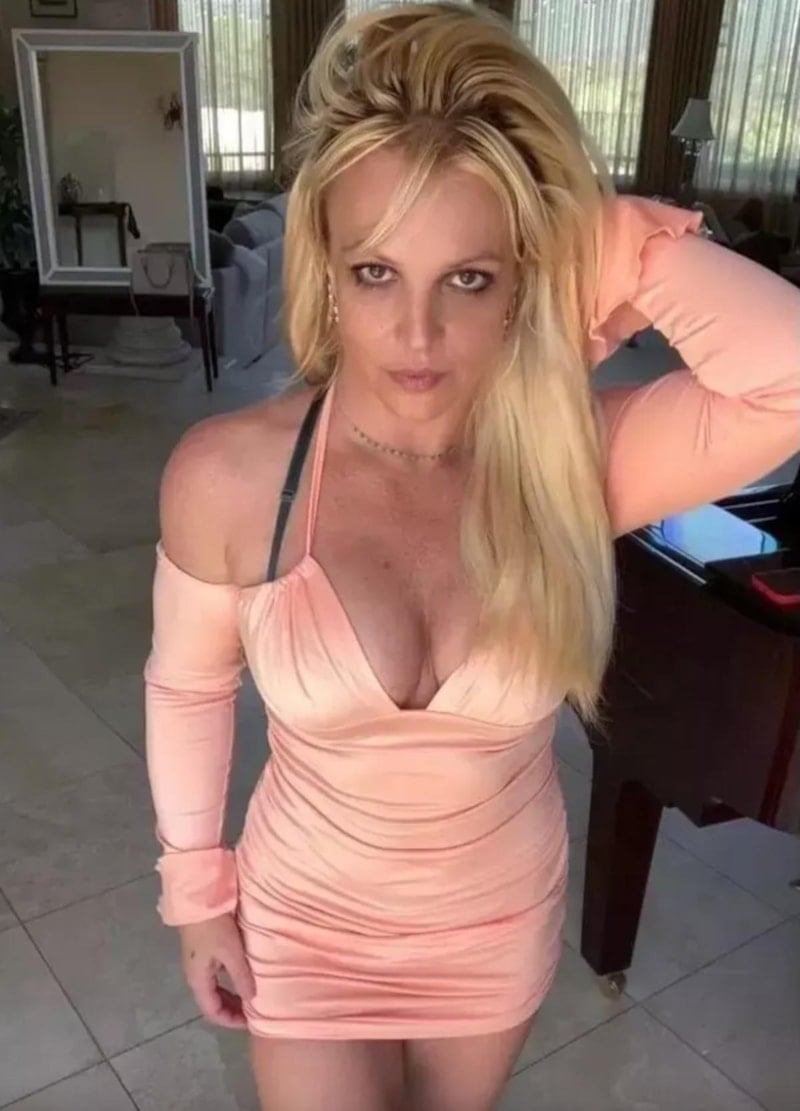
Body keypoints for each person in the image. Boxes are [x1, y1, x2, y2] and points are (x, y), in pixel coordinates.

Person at [143, 5, 800, 1110]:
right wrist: (196, 894)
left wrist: (603, 238)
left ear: (524, 279)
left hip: (492, 925)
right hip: (307, 921)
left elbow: (786, 375)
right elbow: (187, 686)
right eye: (375, 271)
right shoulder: (229, 476)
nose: (416, 335)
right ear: (326, 269)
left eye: (468, 278)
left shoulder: (571, 462)